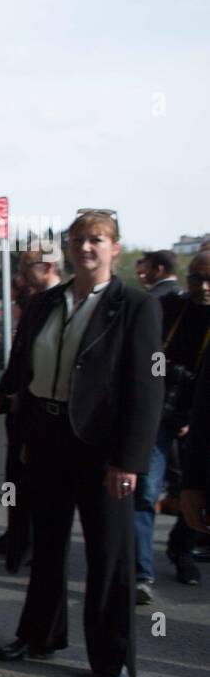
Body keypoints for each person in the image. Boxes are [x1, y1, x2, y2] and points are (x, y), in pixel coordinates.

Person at [0, 210, 161, 677]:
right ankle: (39, 635)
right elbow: (24, 363)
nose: (86, 247)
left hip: (102, 449)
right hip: (46, 435)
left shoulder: (135, 305)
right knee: (46, 546)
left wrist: (129, 460)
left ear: (115, 248)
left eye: (96, 240)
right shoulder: (46, 302)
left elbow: (146, 389)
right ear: (66, 247)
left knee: (109, 557)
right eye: (78, 239)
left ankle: (112, 660)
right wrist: (16, 416)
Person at [0, 239, 62, 567]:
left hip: (42, 411)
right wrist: (3, 390)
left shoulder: (61, 303)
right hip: (18, 408)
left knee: (38, 482)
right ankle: (15, 536)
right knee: (14, 478)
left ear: (48, 267)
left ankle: (32, 543)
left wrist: (23, 395)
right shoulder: (36, 302)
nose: (19, 275)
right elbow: (20, 355)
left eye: (26, 266)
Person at [134, 249, 210, 595]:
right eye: (197, 278)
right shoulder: (171, 308)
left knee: (195, 494)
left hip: (201, 419)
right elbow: (150, 358)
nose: (204, 287)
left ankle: (183, 551)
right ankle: (141, 572)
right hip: (163, 413)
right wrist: (172, 377)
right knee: (147, 491)